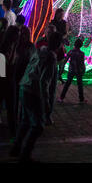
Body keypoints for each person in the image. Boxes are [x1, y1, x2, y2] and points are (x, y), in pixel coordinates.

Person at [10, 32, 62, 162]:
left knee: (26, 121)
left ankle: (16, 148)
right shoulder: (51, 58)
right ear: (58, 44)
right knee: (38, 125)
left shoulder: (39, 50)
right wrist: (46, 102)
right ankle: (25, 154)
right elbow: (43, 82)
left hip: (24, 86)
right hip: (34, 91)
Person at [0, 25, 19, 138]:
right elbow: (7, 64)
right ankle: (13, 132)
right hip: (4, 81)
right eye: (17, 35)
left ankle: (13, 132)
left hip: (10, 80)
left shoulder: (12, 46)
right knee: (10, 107)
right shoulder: (4, 48)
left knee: (11, 108)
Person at [58, 38, 86, 103]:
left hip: (71, 70)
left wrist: (62, 67)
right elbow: (82, 63)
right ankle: (81, 99)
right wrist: (83, 70)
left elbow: (65, 60)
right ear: (81, 45)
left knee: (67, 84)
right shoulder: (82, 53)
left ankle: (61, 98)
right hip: (79, 71)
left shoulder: (71, 51)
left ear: (74, 44)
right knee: (80, 85)